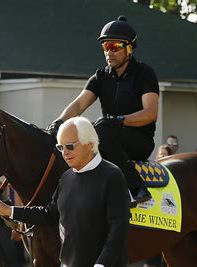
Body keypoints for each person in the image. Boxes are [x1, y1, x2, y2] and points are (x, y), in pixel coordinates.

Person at [46, 16, 159, 205]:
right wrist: (59, 123)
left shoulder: (145, 74)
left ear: (129, 48)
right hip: (107, 137)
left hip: (139, 141)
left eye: (115, 47)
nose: (109, 52)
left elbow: (150, 113)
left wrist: (119, 121)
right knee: (79, 137)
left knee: (102, 131)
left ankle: (137, 189)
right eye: (106, 47)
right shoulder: (100, 76)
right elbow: (79, 105)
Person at [0, 117, 130, 267]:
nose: (65, 153)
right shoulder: (66, 178)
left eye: (70, 146)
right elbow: (49, 214)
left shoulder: (113, 175)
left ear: (90, 144)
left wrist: (101, 264)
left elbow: (118, 230)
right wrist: (8, 210)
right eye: (61, 148)